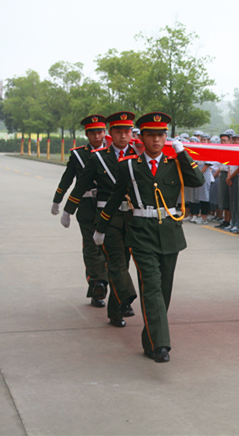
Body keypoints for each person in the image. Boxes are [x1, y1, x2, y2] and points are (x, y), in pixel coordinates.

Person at [92, 112, 205, 362]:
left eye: (161, 135)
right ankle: (161, 346)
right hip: (141, 233)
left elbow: (197, 181)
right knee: (151, 287)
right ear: (141, 137)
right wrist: (100, 228)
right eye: (151, 135)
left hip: (170, 234)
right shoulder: (130, 166)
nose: (157, 139)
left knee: (163, 291)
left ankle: (150, 339)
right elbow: (114, 198)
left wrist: (183, 153)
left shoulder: (175, 163)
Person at [61, 111, 139, 327]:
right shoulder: (98, 158)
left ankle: (116, 311)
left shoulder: (138, 154)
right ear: (110, 134)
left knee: (124, 263)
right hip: (108, 217)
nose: (124, 136)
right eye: (119, 131)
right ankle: (126, 298)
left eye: (127, 131)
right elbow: (82, 184)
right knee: (115, 262)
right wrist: (68, 209)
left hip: (132, 217)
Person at [53, 114, 109, 307]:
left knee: (107, 247)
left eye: (100, 132)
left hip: (107, 206)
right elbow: (68, 179)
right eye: (93, 133)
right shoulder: (79, 154)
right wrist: (58, 201)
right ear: (87, 134)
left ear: (105, 133)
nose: (97, 136)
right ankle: (98, 285)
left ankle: (99, 284)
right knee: (91, 246)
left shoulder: (112, 152)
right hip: (85, 206)